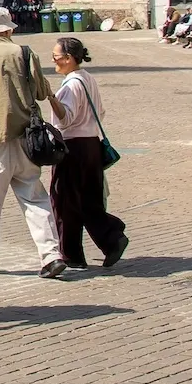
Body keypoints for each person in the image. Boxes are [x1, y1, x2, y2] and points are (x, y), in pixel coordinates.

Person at [0, 6, 68, 278]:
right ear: (8, 30)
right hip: (27, 139)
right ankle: (51, 255)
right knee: (34, 198)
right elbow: (41, 92)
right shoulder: (25, 53)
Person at [47, 37, 126, 268]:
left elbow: (66, 118)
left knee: (64, 201)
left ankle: (73, 253)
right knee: (88, 199)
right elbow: (100, 112)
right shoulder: (87, 79)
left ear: (69, 59)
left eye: (56, 57)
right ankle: (110, 239)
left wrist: (51, 98)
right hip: (91, 144)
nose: (53, 61)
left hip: (73, 147)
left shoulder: (71, 85)